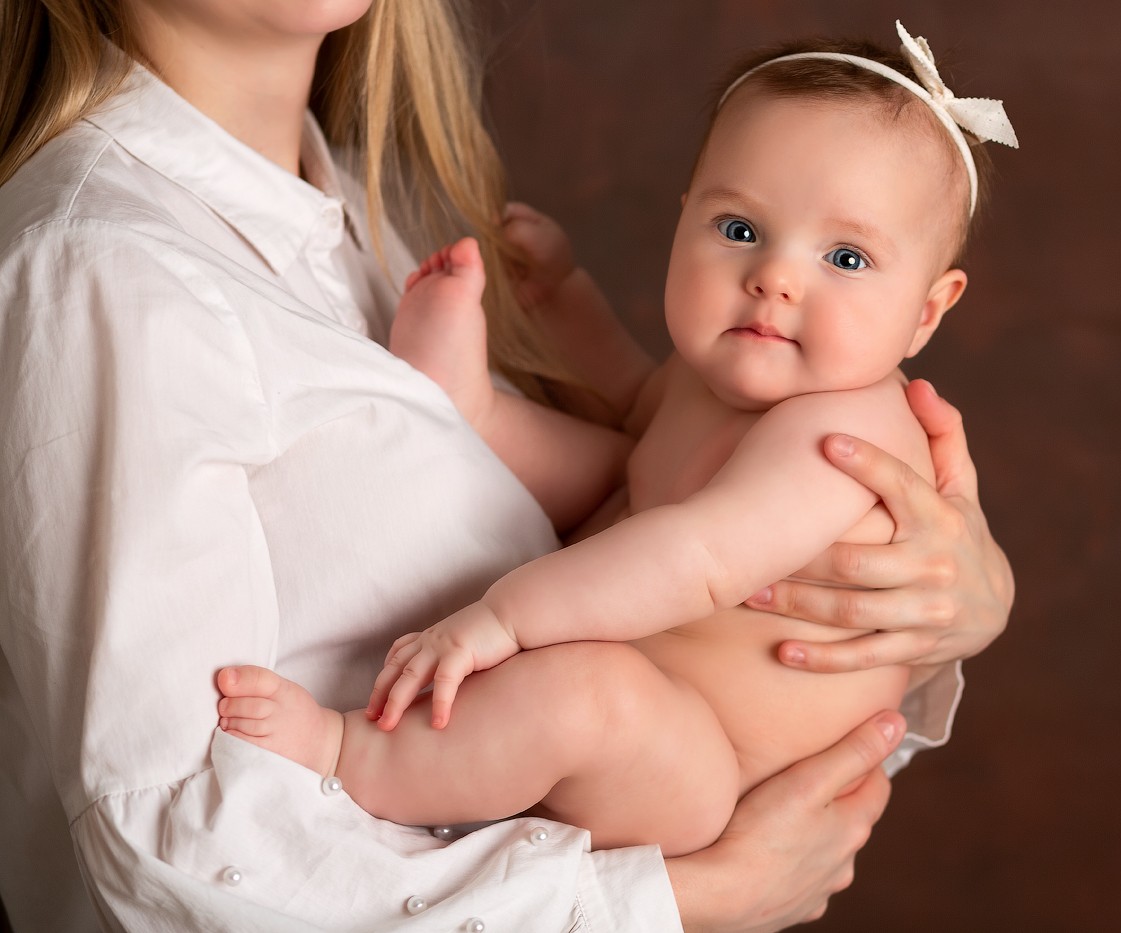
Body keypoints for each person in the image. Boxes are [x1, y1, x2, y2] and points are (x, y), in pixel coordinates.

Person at [0, 0, 1012, 929]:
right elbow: (160, 844)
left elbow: (689, 544)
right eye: (739, 229)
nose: (775, 278)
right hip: (637, 769)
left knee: (599, 600)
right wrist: (684, 899)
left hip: (691, 756)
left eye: (846, 258)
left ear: (929, 308)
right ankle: (361, 746)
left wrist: (951, 606)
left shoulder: (372, 213)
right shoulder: (105, 272)